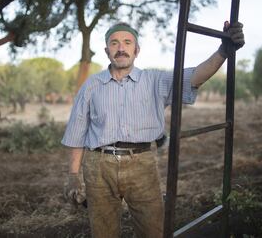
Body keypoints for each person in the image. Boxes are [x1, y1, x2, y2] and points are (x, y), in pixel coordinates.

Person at [62, 21, 245, 238]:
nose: (121, 48)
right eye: (115, 43)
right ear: (107, 50)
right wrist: (73, 175)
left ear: (136, 50)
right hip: (98, 167)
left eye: (127, 42)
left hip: (142, 164)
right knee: (103, 232)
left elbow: (195, 77)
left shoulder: (155, 80)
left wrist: (223, 51)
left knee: (153, 231)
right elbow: (77, 131)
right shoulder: (91, 86)